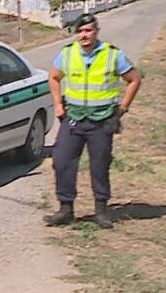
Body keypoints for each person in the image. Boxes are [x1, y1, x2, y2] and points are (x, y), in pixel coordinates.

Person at [44, 13, 141, 229]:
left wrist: (122, 108)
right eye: (80, 31)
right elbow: (53, 77)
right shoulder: (67, 54)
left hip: (101, 119)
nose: (83, 35)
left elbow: (134, 79)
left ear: (96, 31)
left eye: (88, 30)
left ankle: (101, 210)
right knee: (62, 161)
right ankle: (66, 208)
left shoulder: (112, 55)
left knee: (100, 164)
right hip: (74, 118)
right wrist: (58, 105)